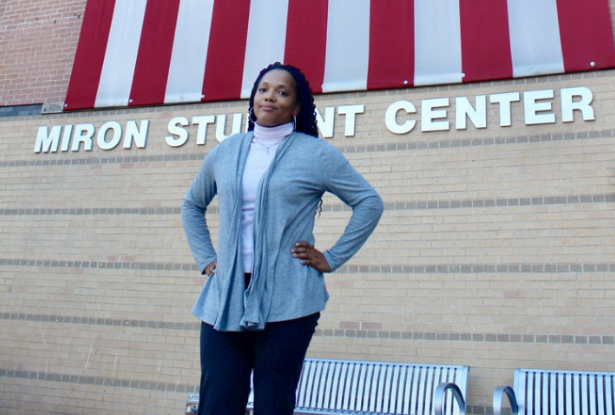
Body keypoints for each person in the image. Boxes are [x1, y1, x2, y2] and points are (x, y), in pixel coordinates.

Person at [181, 62, 384, 415]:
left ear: (296, 105)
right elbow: (191, 204)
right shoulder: (226, 151)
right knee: (217, 403)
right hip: (224, 298)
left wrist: (332, 257)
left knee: (273, 403)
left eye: (282, 92)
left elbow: (369, 202)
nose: (269, 96)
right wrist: (207, 258)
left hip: (289, 301)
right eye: (263, 89)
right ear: (253, 98)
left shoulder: (315, 154)